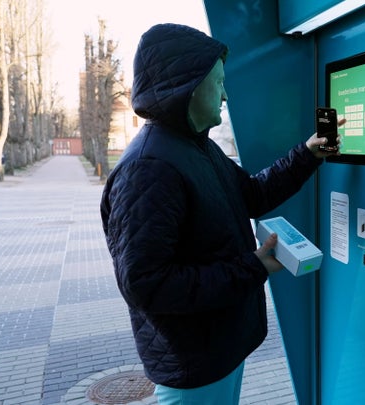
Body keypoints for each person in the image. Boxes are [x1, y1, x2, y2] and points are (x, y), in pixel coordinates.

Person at [100, 23, 339, 404]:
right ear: (188, 85)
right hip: (192, 364)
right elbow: (147, 284)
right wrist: (253, 267)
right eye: (219, 83)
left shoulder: (195, 148)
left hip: (217, 349)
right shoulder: (148, 168)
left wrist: (308, 154)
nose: (225, 96)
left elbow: (252, 195)